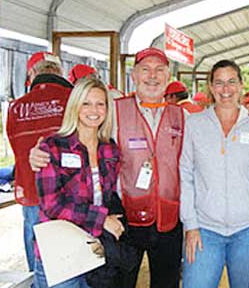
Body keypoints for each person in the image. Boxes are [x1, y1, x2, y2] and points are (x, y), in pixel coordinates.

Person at [30, 47, 184, 288]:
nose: (152, 76)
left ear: (168, 76)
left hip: (165, 222)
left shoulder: (182, 117)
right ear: (134, 75)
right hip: (116, 227)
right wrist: (38, 151)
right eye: (145, 70)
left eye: (159, 70)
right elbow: (52, 202)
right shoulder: (117, 111)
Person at [180, 59, 249, 288]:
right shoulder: (195, 124)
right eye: (219, 83)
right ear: (211, 88)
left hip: (247, 232)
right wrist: (190, 225)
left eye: (232, 82)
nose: (226, 89)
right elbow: (186, 176)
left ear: (241, 85)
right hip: (204, 231)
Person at [34, 77, 123, 287]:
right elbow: (52, 205)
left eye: (100, 104)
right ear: (75, 106)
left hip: (94, 249)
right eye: (86, 103)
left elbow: (108, 196)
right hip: (60, 254)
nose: (94, 110)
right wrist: (102, 219)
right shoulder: (53, 146)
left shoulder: (109, 148)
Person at [6, 51, 73, 271]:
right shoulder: (75, 100)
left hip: (32, 193)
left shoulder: (17, 107)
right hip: (71, 196)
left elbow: (17, 150)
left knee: (39, 264)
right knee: (72, 262)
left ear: (32, 74)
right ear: (60, 72)